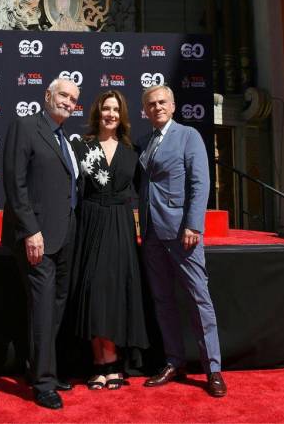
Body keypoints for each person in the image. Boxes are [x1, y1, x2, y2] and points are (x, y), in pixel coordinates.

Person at [136, 84, 227, 397]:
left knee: (199, 300)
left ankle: (213, 368)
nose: (157, 107)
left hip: (181, 233)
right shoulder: (145, 142)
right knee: (163, 301)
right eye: (151, 104)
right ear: (145, 110)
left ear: (172, 106)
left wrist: (193, 225)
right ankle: (174, 361)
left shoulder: (188, 136)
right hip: (150, 234)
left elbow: (201, 183)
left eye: (162, 102)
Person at [2, 78, 80, 410]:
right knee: (43, 307)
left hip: (65, 236)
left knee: (58, 304)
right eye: (63, 95)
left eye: (74, 99)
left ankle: (43, 367)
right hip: (37, 237)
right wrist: (30, 230)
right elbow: (14, 180)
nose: (68, 102)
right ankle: (43, 383)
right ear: (47, 95)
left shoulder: (65, 139)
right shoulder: (26, 125)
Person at [71, 90, 149, 390]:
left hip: (119, 224)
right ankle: (98, 363)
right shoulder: (82, 146)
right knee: (93, 290)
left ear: (122, 115)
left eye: (116, 109)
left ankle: (113, 362)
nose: (111, 114)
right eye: (106, 109)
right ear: (97, 112)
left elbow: (142, 191)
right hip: (90, 222)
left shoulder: (132, 150)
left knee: (116, 291)